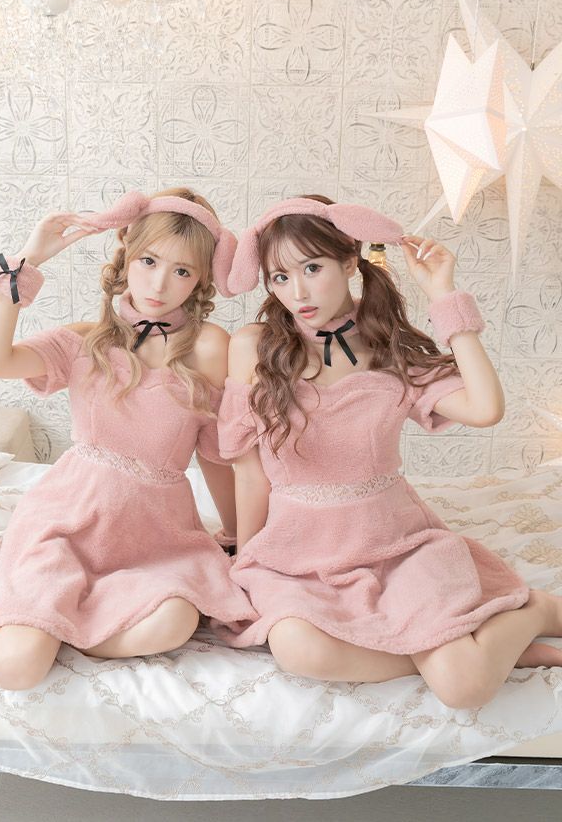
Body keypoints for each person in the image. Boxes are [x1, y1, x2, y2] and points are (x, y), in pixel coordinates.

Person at [212, 194, 562, 710]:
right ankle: (493, 650)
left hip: (395, 544)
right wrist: (247, 556)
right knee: (299, 650)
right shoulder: (253, 347)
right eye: (280, 277)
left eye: (312, 268)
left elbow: (486, 408)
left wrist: (444, 295)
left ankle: (533, 613)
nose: (298, 292)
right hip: (298, 552)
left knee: (464, 689)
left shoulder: (389, 347)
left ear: (349, 261)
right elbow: (249, 469)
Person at [0, 187, 258, 690]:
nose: (159, 284)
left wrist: (239, 541)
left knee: (174, 622)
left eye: (182, 271)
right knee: (16, 669)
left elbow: (216, 455)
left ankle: (57, 624)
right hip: (68, 519)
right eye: (149, 261)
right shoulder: (87, 339)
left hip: (156, 536)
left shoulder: (210, 347)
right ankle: (20, 615)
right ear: (126, 254)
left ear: (202, 279)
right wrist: (28, 261)